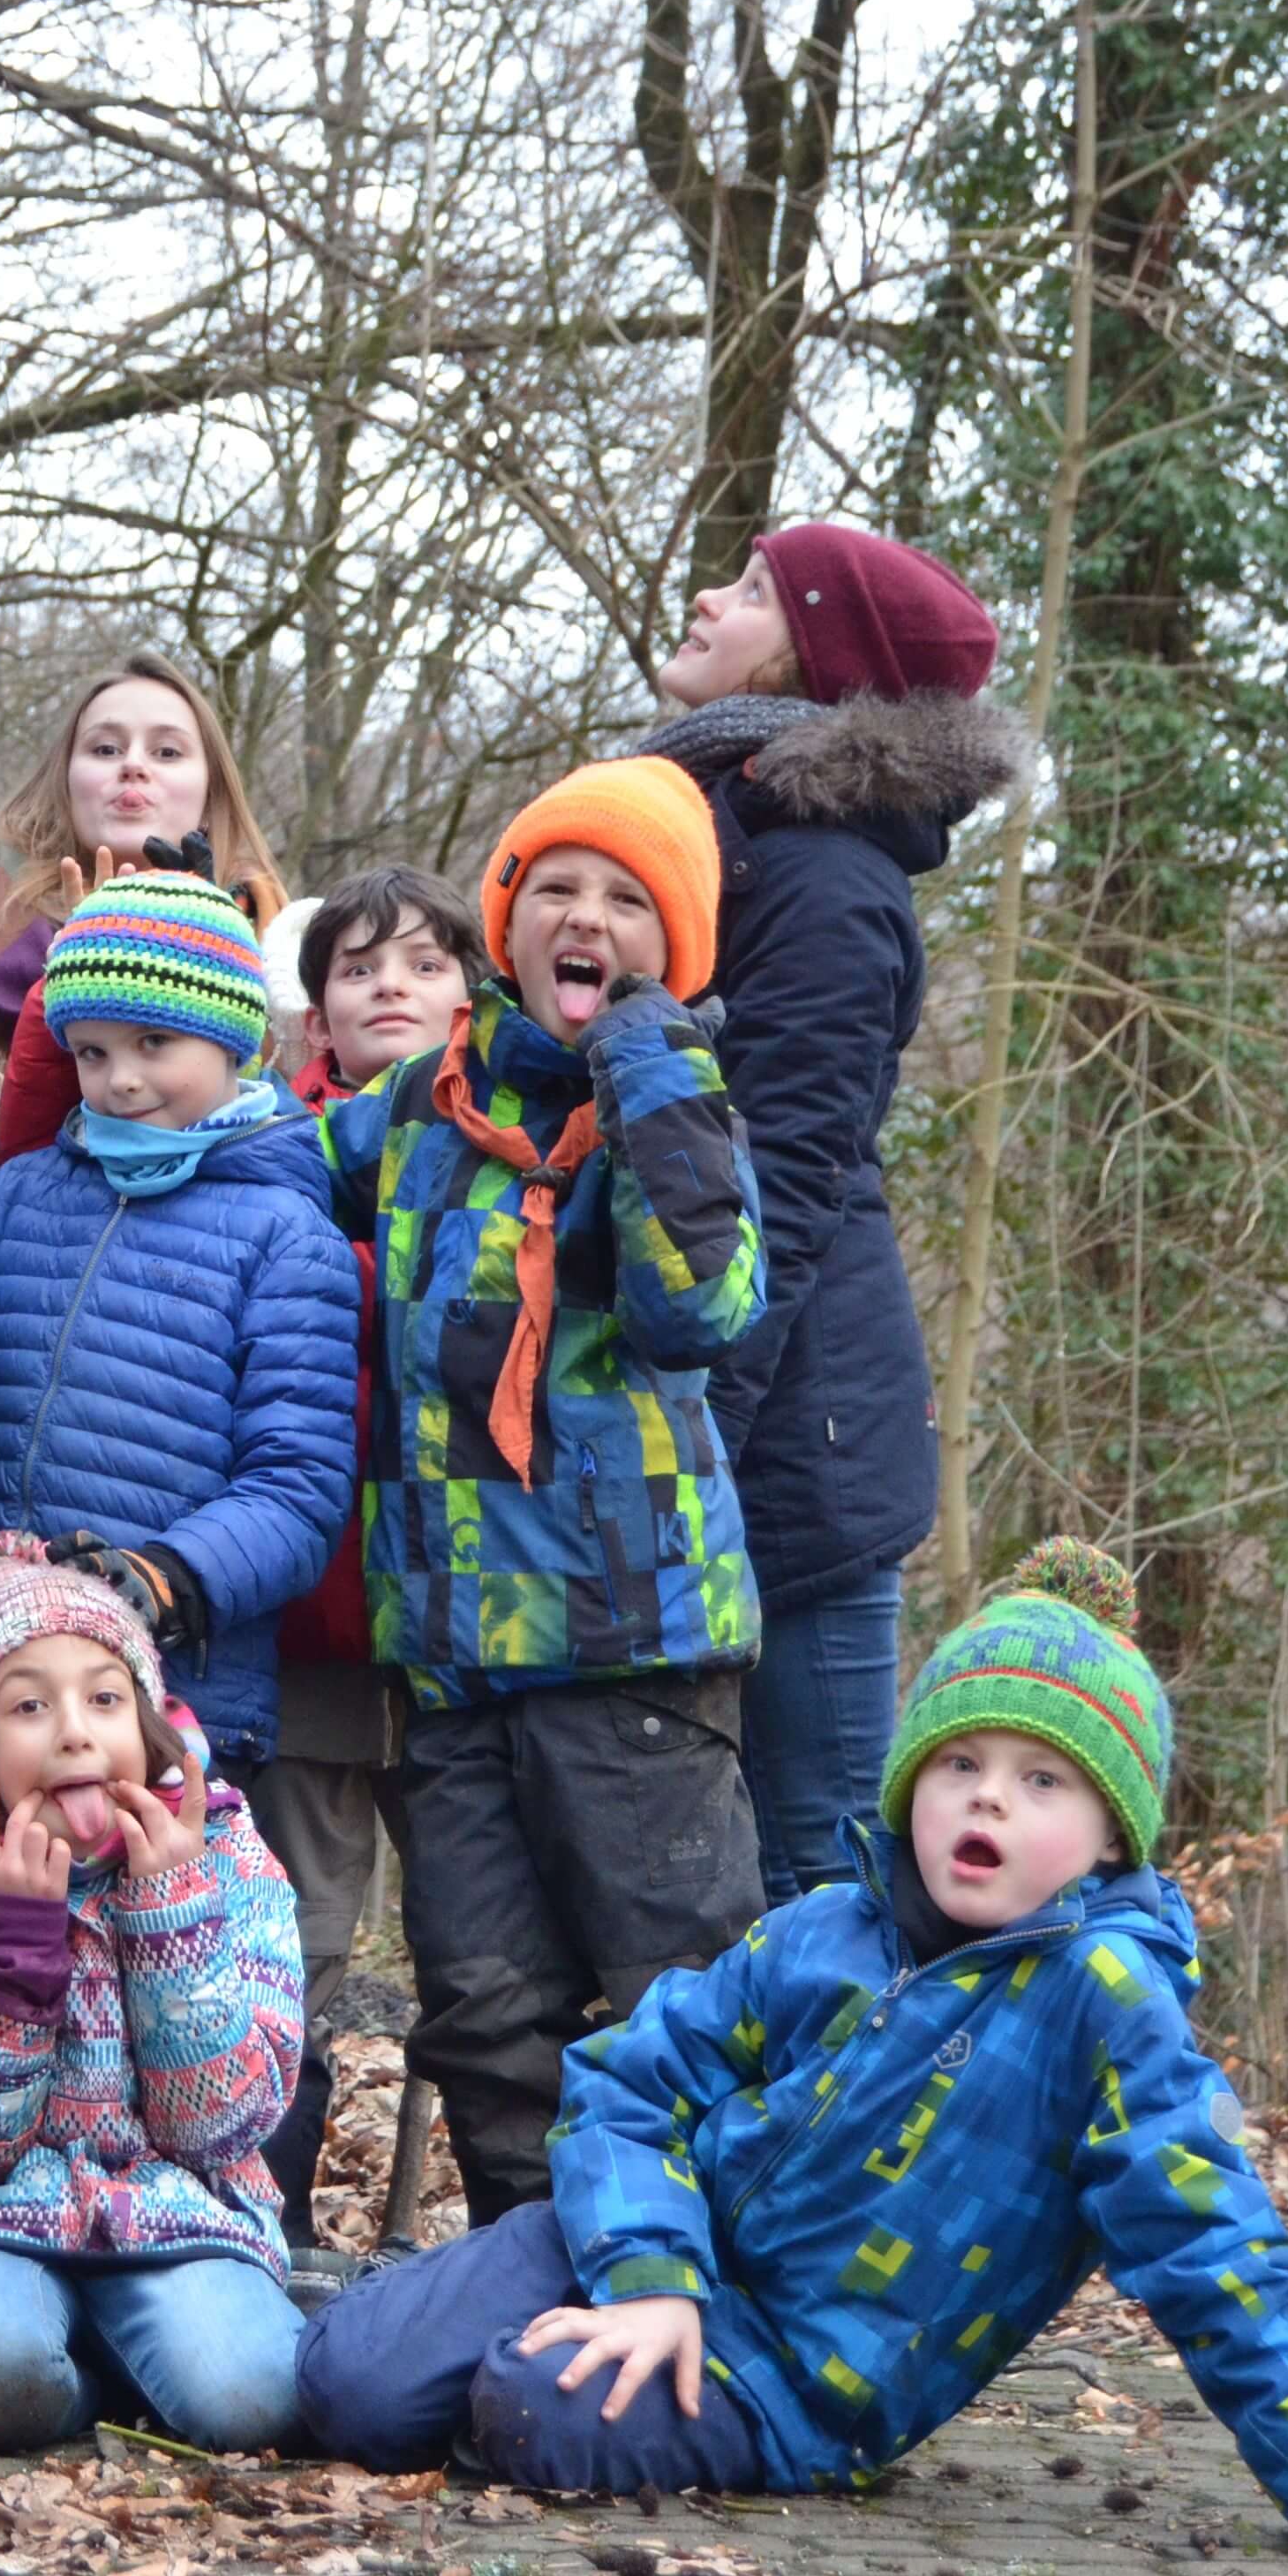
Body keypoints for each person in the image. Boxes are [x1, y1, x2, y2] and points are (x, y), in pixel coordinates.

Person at [294, 1546, 1288, 2569]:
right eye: (959, 1766)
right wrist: (650, 2270)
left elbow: (1220, 2254)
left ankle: (533, 2368)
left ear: (1109, 1839)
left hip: (794, 2378)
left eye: (1041, 1780)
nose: (987, 1802)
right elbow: (632, 2076)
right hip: (637, 2242)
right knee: (350, 2382)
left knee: (527, 2406)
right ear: (910, 1786)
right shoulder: (827, 1929)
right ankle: (422, 2325)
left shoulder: (1109, 2008)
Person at [320, 759, 767, 2221]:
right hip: (450, 1665)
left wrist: (649, 1069)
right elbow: (238, 1165)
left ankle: (699, 2287)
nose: (587, 917)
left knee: (676, 1996)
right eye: (555, 888)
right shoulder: (405, 1120)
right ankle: (540, 2266)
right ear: (502, 926)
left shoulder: (677, 1107)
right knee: (481, 2009)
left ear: (673, 945)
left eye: (628, 900)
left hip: (630, 1652)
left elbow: (697, 1304)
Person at [634, 529, 1033, 1902]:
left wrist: (684, 1446)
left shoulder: (823, 878)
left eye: (750, 592)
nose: (707, 598)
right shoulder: (718, 823)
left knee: (831, 1875)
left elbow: (780, 1193)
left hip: (801, 1459)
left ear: (822, 658)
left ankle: (893, 2120)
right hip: (741, 1437)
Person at [0, 875, 359, 1779]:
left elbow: (297, 1486)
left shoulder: (285, 1236)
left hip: (166, 1696)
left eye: (154, 1042)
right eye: (92, 1050)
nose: (120, 1078)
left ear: (238, 1042)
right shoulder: (27, 1193)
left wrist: (163, 1578)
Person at [0, 1536, 307, 2453]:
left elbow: (220, 2128)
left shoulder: (230, 1860)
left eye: (104, 1699)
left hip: (180, 2216)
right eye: (29, 1704)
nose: (73, 1731)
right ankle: (76, 2383)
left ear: (150, 1722)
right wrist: (6, 1945)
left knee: (255, 2402)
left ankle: (145, 2358)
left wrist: (167, 1909)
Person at [248, 868, 486, 2265]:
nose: (388, 985)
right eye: (355, 966)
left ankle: (475, 2247)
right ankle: (260, 2230)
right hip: (319, 1624)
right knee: (298, 1941)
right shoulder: (276, 1149)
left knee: (485, 1952)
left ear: (472, 985)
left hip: (475, 1635)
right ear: (317, 1002)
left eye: (422, 959)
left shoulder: (529, 1146)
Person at [0, 657, 290, 1039]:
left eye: (167, 752)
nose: (133, 764)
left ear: (211, 792)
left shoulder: (293, 946)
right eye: (105, 749)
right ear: (65, 782)